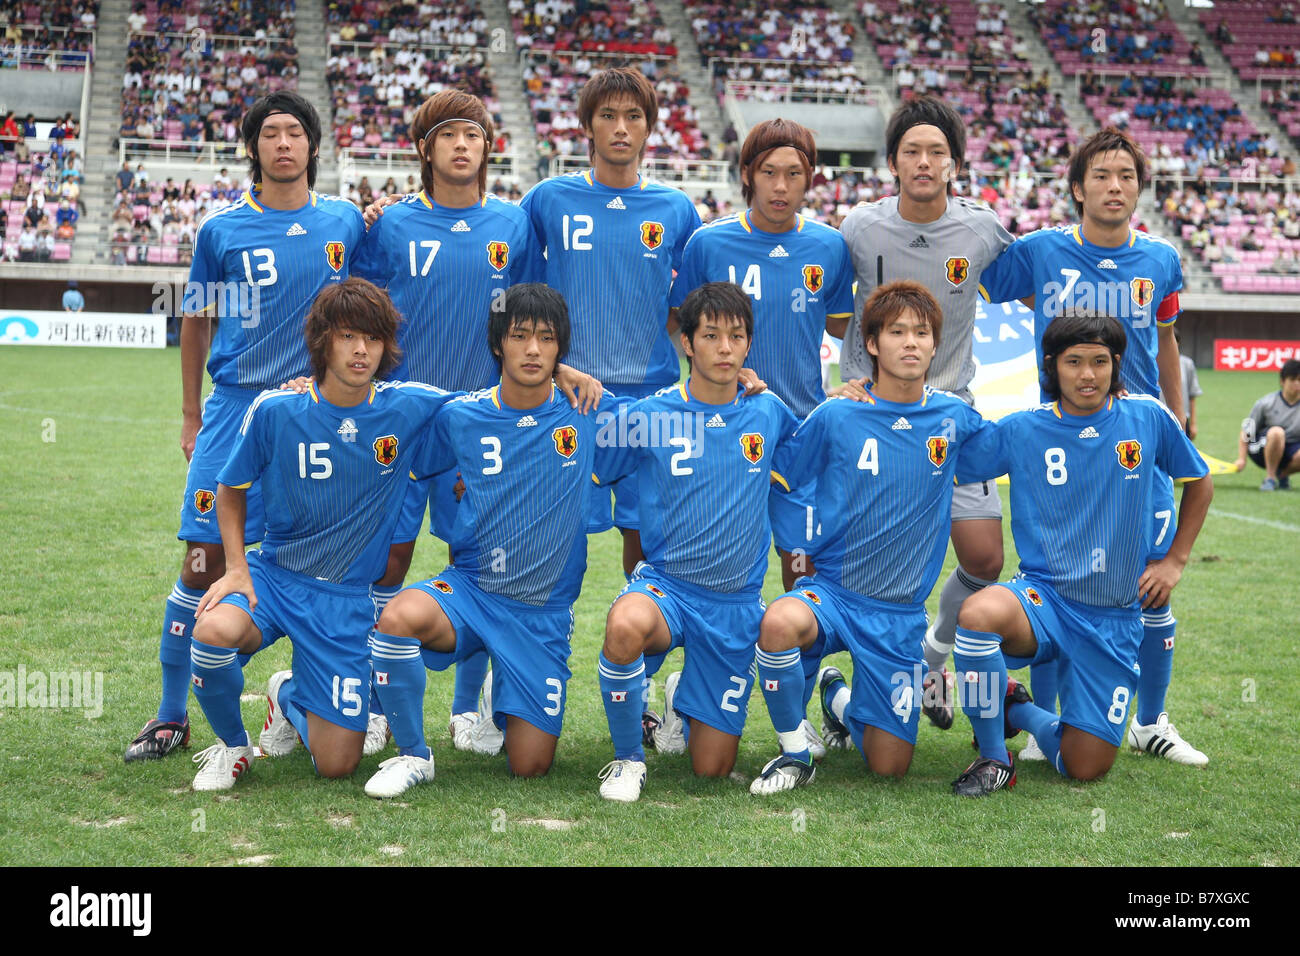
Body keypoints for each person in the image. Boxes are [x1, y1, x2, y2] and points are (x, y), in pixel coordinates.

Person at [123, 91, 367, 763]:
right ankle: (173, 716)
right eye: (270, 134)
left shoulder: (345, 223)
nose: (283, 144)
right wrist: (192, 411)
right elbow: (196, 319)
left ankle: (321, 698)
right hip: (235, 411)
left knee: (337, 560)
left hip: (315, 421)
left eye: (294, 133)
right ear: (254, 148)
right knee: (202, 562)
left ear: (313, 148)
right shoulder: (222, 231)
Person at [354, 88, 595, 756]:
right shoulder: (389, 225)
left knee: (484, 557)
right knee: (389, 561)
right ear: (424, 148)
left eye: (474, 135)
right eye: (448, 135)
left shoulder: (513, 224)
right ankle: (372, 702)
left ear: (489, 147)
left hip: (491, 424)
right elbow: (362, 307)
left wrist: (560, 368)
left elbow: (531, 315)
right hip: (409, 425)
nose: (462, 145)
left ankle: (469, 710)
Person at [978, 127, 1206, 767]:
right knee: (1055, 581)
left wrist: (1179, 415)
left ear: (1139, 188)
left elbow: (1164, 341)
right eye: (1102, 176)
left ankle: (1151, 721)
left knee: (1148, 586)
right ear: (1077, 188)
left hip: (1137, 449)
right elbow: (977, 279)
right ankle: (1038, 723)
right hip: (1062, 447)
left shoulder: (1160, 259)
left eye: (1127, 177)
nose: (1115, 187)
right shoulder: (1043, 250)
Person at [186, 279, 455, 790]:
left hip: (344, 600)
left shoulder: (410, 406)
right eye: (349, 336)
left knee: (337, 765)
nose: (361, 351)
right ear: (322, 340)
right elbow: (230, 487)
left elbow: (493, 405)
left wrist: (558, 372)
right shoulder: (275, 410)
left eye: (373, 339)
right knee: (211, 633)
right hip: (275, 578)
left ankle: (287, 695)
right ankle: (233, 746)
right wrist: (238, 567)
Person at [363, 284, 614, 797]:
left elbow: (676, 417)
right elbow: (387, 421)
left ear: (561, 347)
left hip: (541, 614)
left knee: (530, 766)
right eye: (520, 336)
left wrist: (741, 390)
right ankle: (414, 753)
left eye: (546, 339)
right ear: (499, 343)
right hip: (472, 592)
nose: (533, 350)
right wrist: (310, 387)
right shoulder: (461, 416)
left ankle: (504, 699)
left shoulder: (588, 410)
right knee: (397, 618)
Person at [950, 310, 1212, 794]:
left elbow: (1199, 482)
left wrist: (1174, 560)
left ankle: (1017, 709)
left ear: (1116, 364)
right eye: (1073, 362)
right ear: (1052, 366)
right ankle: (992, 756)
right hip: (1044, 599)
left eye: (1099, 361)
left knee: (1083, 767)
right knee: (978, 613)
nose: (1087, 375)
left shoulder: (1148, 417)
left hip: (1112, 618)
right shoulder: (1023, 428)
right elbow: (947, 457)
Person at [747, 281, 995, 794]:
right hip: (833, 594)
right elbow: (782, 474)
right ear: (872, 344)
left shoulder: (955, 417)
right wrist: (798, 549)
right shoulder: (838, 414)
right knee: (779, 621)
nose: (910, 342)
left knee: (889, 767)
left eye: (921, 333)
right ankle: (795, 751)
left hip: (900, 615)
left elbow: (1028, 442)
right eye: (897, 331)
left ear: (935, 345)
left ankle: (837, 699)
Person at [839, 96, 1015, 734]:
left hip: (951, 417)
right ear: (892, 162)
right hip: (874, 422)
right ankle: (852, 696)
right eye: (911, 150)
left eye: (935, 151)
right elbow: (829, 305)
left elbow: (1034, 278)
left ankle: (933, 656)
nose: (922, 161)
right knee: (865, 567)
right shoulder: (859, 228)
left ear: (955, 163)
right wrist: (853, 379)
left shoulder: (983, 230)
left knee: (985, 559)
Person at [594, 282, 800, 802]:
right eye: (711, 336)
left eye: (736, 336)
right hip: (669, 589)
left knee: (711, 770)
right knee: (624, 626)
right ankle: (627, 760)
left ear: (749, 344)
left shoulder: (768, 412)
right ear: (687, 344)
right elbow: (588, 459)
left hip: (734, 607)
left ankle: (679, 697)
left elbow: (813, 459)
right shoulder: (647, 416)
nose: (725, 348)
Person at [519, 66, 703, 576]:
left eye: (633, 116)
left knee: (647, 536)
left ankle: (635, 642)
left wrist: (642, 338)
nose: (621, 127)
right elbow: (522, 294)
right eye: (607, 115)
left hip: (651, 396)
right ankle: (541, 637)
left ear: (649, 128)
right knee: (552, 534)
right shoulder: (548, 198)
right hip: (568, 396)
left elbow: (685, 306)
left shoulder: (677, 208)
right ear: (587, 126)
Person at [669, 119, 854, 596]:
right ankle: (710, 666)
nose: (780, 186)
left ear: (810, 177)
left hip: (800, 429)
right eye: (769, 171)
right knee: (717, 560)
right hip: (723, 429)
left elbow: (842, 325)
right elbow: (680, 329)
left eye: (794, 173)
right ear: (747, 173)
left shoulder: (829, 246)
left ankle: (799, 666)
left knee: (802, 560)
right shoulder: (708, 244)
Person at [1234, 357, 1300, 490]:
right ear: (1282, 381)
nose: (1297, 384)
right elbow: (1246, 431)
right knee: (1277, 433)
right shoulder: (1265, 403)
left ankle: (1281, 476)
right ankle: (1269, 478)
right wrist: (1241, 459)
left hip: (1291, 447)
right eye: (1293, 380)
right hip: (1261, 448)